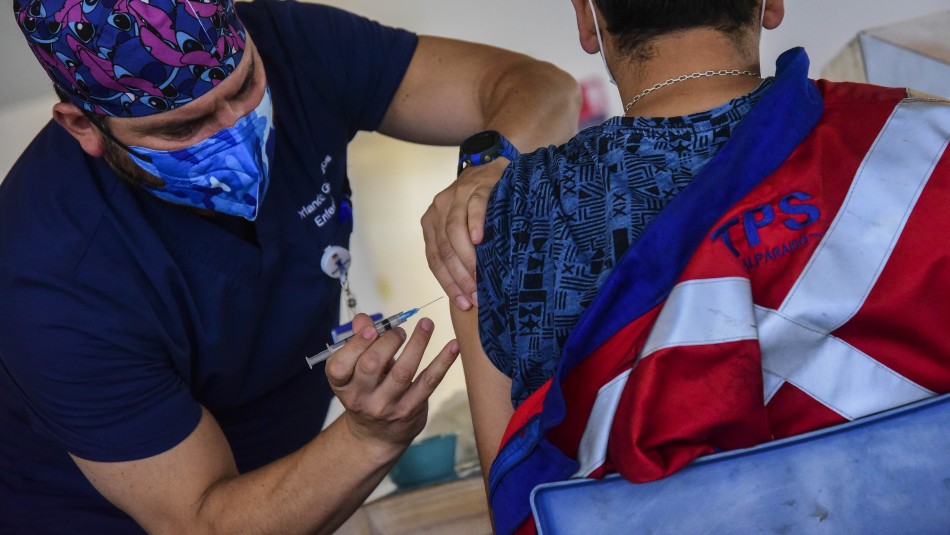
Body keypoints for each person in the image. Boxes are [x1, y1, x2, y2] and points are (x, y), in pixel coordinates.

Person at [0, 0, 580, 532]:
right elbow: (201, 523)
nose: (236, 132)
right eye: (182, 128)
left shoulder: (291, 44)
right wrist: (370, 436)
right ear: (83, 126)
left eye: (245, 87)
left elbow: (542, 87)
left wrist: (493, 168)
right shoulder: (49, 276)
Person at [430, 0, 950, 533]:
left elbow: (520, 500)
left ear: (588, 20)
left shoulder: (499, 222)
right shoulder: (924, 148)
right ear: (771, 6)